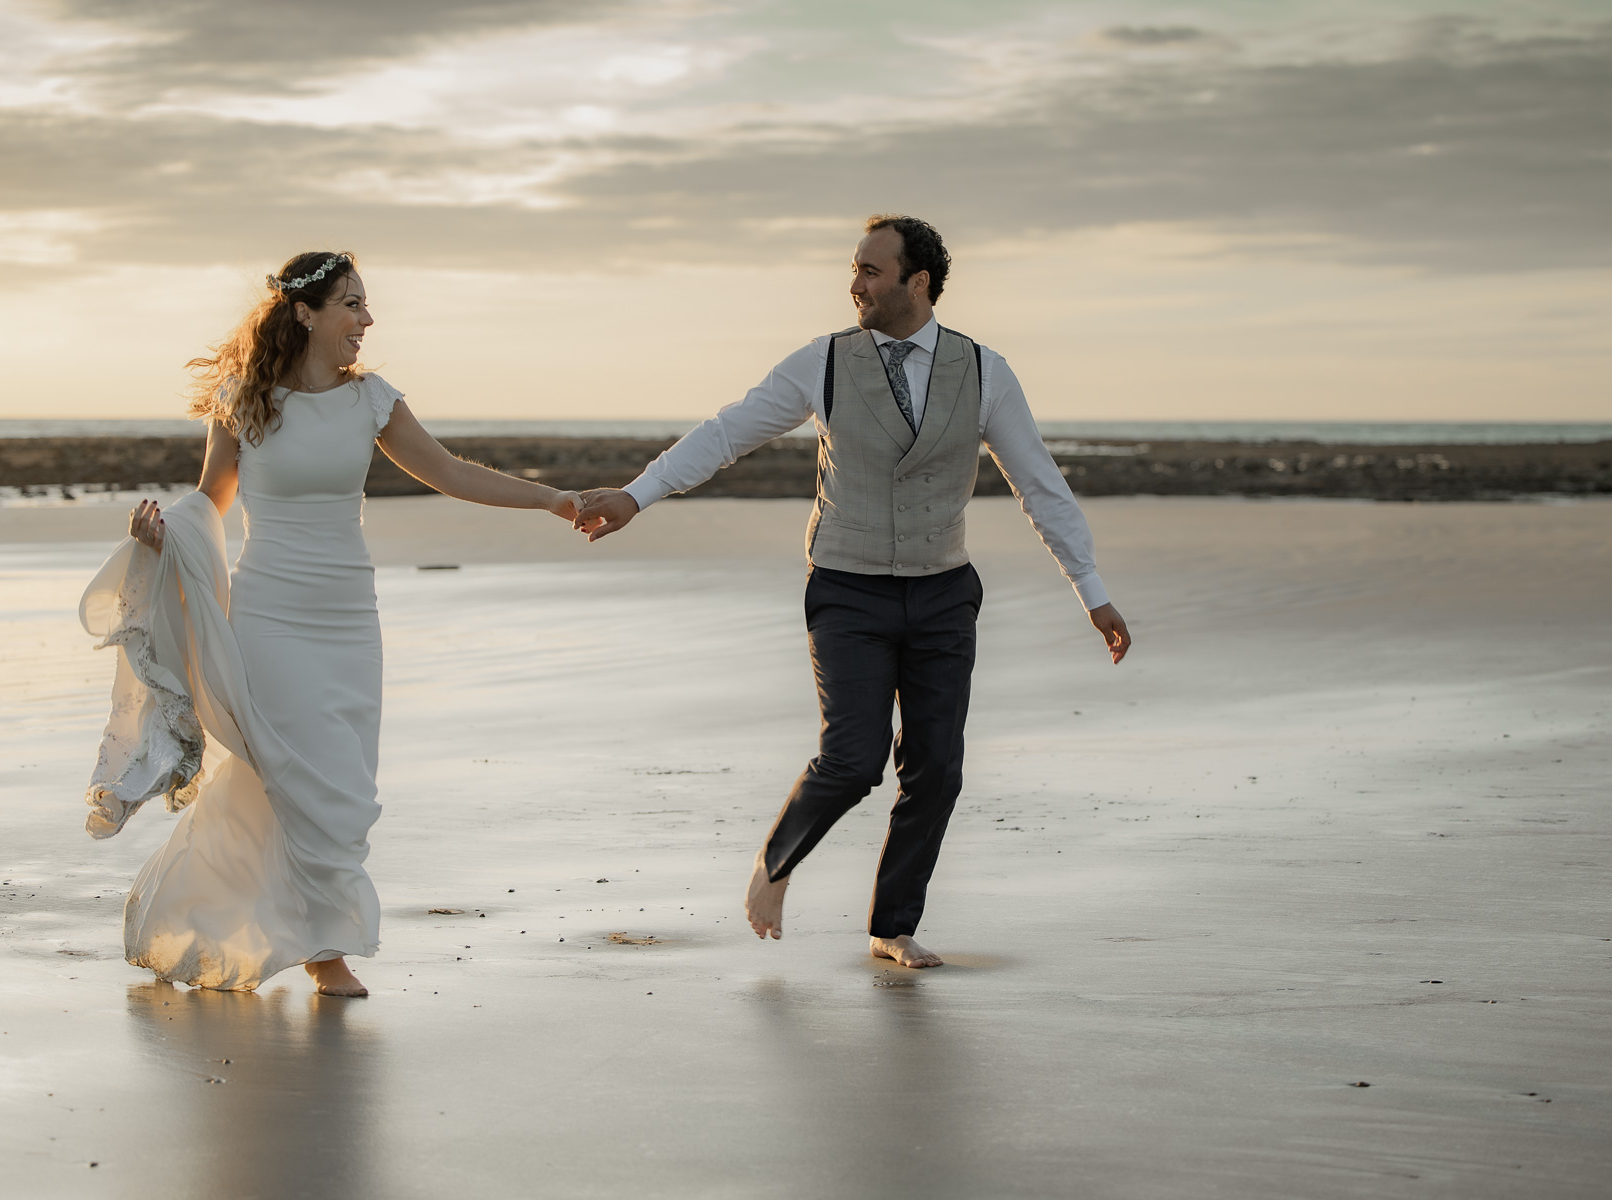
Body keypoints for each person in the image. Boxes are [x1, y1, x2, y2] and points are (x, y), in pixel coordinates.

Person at [573, 215, 1132, 968]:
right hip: (848, 588)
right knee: (853, 755)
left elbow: (1039, 483)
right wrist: (639, 495)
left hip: (942, 594)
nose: (855, 284)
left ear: (918, 282)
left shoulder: (985, 371)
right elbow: (728, 431)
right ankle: (776, 863)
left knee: (937, 766)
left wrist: (1090, 590)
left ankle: (891, 927)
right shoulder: (824, 362)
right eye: (855, 268)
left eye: (871, 271)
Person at [80, 251, 580, 996]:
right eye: (352, 305)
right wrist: (164, 538)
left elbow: (449, 473)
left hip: (349, 616)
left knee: (345, 778)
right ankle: (326, 951)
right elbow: (210, 503)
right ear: (306, 313)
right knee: (297, 776)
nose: (367, 321)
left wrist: (552, 499)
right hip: (271, 616)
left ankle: (237, 918)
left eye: (366, 306)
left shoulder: (372, 400)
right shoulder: (242, 400)